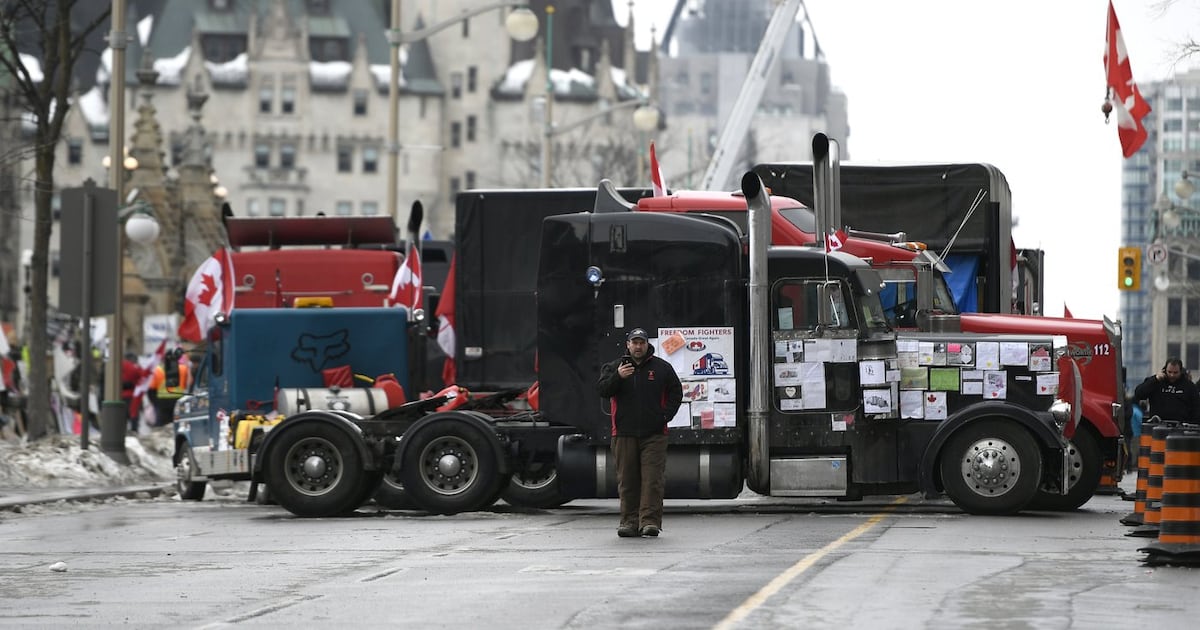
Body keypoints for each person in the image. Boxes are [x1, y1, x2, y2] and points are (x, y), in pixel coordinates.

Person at [596, 327, 682, 538]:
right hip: (623, 433)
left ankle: (650, 522)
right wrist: (618, 377)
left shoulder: (662, 368)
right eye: (634, 342)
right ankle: (629, 522)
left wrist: (665, 416)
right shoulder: (615, 367)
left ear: (647, 344)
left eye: (641, 342)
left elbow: (676, 392)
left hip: (655, 434)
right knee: (627, 481)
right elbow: (602, 390)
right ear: (628, 345)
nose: (638, 346)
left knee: (652, 480)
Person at [1132, 357, 1200, 424]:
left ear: (1181, 371)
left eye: (1175, 373)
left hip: (1181, 426)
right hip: (1157, 425)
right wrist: (1155, 380)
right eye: (1169, 372)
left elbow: (1196, 408)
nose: (1172, 375)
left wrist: (1192, 424)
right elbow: (1139, 394)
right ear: (1165, 370)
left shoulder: (1189, 386)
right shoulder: (1155, 382)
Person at [150, 348, 190, 427]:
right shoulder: (183, 369)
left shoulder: (157, 371)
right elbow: (186, 384)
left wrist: (155, 403)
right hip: (178, 400)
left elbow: (151, 390)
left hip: (162, 402)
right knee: (178, 424)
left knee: (162, 425)